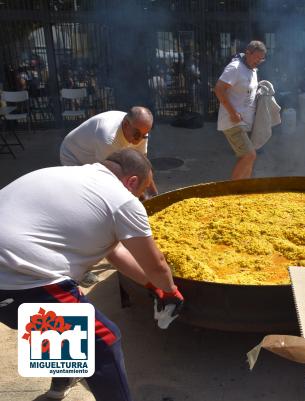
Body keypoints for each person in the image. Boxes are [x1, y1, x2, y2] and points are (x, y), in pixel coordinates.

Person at [0, 149, 184, 401]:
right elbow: (157, 265)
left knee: (60, 329)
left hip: (13, 273)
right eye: (140, 192)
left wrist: (152, 286)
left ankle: (59, 387)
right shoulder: (121, 199)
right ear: (131, 182)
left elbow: (115, 251)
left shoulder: (69, 176)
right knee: (103, 343)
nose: (138, 199)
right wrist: (170, 291)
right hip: (20, 277)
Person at [60, 106, 158, 198]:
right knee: (91, 194)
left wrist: (154, 194)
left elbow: (142, 167)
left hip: (97, 154)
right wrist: (140, 196)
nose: (140, 140)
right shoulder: (108, 138)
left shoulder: (140, 130)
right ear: (125, 124)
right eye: (137, 135)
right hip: (74, 156)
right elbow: (110, 176)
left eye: (144, 136)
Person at [215, 40, 267, 180]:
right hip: (232, 121)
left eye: (261, 59)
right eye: (256, 57)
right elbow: (219, 89)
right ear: (248, 53)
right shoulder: (235, 67)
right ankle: (232, 191)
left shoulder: (253, 69)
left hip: (246, 122)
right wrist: (233, 113)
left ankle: (244, 189)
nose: (258, 61)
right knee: (249, 155)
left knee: (248, 157)